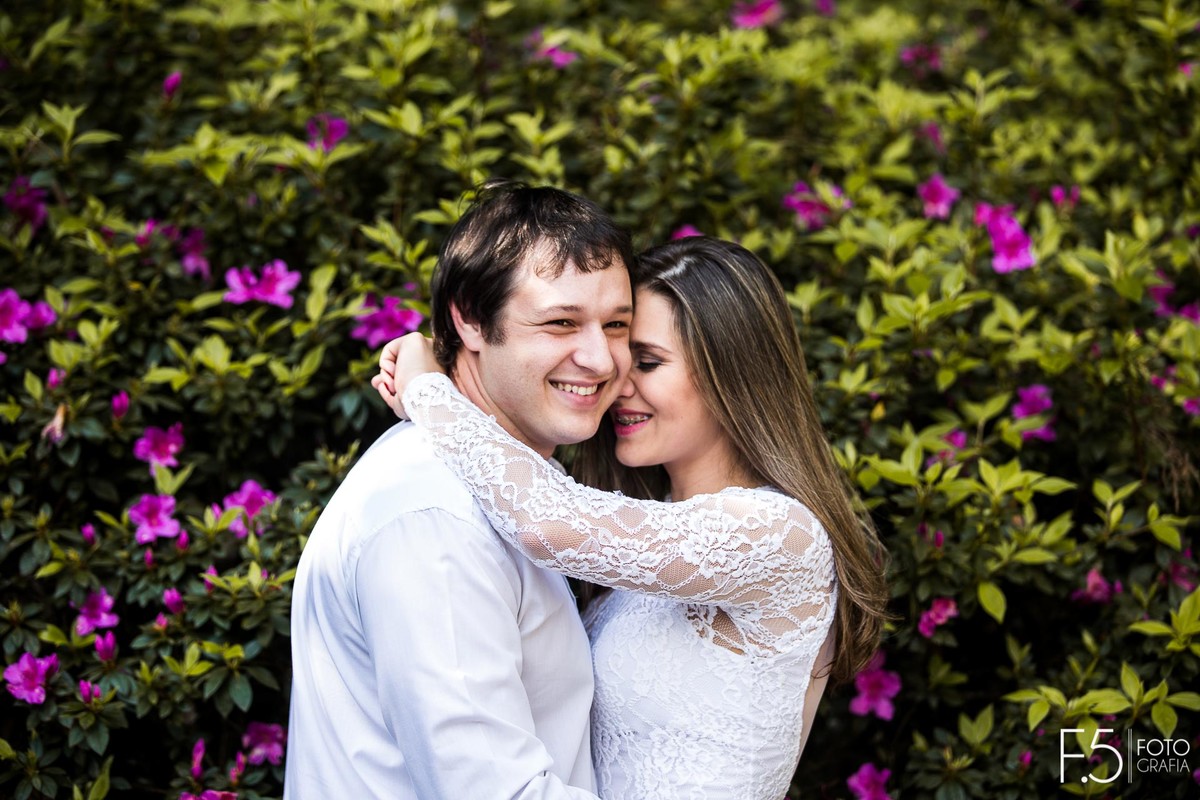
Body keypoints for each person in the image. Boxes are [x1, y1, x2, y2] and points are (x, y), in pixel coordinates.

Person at [375, 236, 889, 800]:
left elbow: (548, 523)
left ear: (731, 373)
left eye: (646, 362)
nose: (615, 382)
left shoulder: (780, 536)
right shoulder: (656, 529)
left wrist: (431, 388)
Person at [285, 180, 637, 799]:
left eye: (616, 325)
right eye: (560, 322)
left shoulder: (496, 484)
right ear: (469, 318)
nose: (601, 360)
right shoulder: (435, 517)